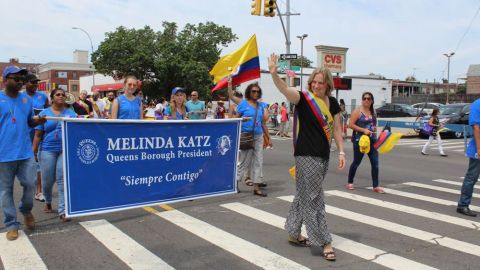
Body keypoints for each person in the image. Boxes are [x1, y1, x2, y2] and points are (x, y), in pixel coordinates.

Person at [268, 54, 346, 261]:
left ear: (327, 85)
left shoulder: (332, 103)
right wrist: (275, 74)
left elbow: (337, 128)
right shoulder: (303, 98)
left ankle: (293, 231)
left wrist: (341, 151)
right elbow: (285, 90)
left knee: (304, 194)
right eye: (314, 82)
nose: (317, 85)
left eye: (321, 83)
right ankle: (324, 240)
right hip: (305, 155)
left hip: (323, 155)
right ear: (310, 83)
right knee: (315, 197)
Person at [0, 66, 46, 241]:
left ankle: (26, 210)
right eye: (16, 79)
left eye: (22, 79)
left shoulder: (26, 100)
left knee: (30, 184)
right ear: (5, 79)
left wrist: (38, 121)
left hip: (25, 153)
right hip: (3, 155)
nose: (20, 82)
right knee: (5, 191)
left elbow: (28, 122)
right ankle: (11, 224)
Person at [32, 88, 76, 222]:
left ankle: (63, 211)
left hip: (64, 150)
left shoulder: (71, 114)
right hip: (47, 150)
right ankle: (48, 202)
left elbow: (75, 133)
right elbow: (38, 134)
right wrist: (33, 151)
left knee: (62, 180)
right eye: (58, 95)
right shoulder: (44, 114)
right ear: (52, 98)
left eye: (63, 95)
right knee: (47, 180)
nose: (61, 97)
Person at [233, 82, 269, 196]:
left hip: (258, 136)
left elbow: (263, 122)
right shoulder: (243, 104)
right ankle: (235, 183)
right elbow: (235, 119)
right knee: (244, 162)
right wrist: (242, 119)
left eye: (258, 91)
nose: (256, 93)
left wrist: (268, 137)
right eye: (253, 91)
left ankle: (256, 186)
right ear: (249, 92)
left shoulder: (260, 105)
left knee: (258, 161)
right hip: (246, 135)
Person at [346, 92, 384, 193]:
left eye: (369, 99)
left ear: (372, 101)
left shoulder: (373, 112)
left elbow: (374, 125)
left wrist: (376, 134)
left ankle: (375, 186)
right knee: (356, 162)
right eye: (364, 98)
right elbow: (350, 125)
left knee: (375, 163)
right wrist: (363, 130)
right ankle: (350, 182)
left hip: (372, 140)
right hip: (360, 140)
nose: (366, 100)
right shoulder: (357, 111)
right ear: (362, 100)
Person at [24, 73, 49, 203]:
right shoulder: (21, 97)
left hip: (39, 133)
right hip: (24, 134)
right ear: (25, 83)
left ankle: (38, 192)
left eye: (36, 82)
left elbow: (48, 112)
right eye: (32, 82)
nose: (34, 84)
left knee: (37, 161)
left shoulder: (43, 96)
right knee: (26, 163)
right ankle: (27, 189)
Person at [457, 98, 480, 217]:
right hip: (478, 148)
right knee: (472, 177)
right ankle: (463, 205)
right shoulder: (477, 105)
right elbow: (476, 127)